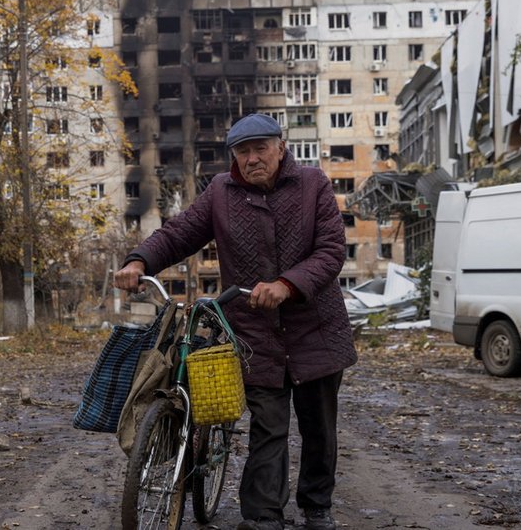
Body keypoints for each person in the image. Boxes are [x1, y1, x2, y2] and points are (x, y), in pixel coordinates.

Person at [114, 113, 357, 530]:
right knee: (268, 424)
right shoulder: (220, 193)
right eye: (242, 152)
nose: (251, 159)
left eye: (260, 148)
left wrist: (287, 284)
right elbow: (179, 233)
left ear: (281, 148)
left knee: (319, 426)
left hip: (315, 326)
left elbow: (331, 251)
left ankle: (317, 506)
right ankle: (263, 516)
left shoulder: (313, 184)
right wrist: (139, 260)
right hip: (254, 333)